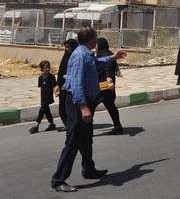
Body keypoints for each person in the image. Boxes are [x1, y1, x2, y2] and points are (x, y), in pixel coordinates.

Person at [50, 26, 127, 193]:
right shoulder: (80, 55)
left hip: (84, 102)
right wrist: (84, 108)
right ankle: (58, 180)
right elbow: (76, 84)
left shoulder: (86, 54)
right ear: (90, 39)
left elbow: (96, 63)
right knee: (73, 141)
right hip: (77, 103)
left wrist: (113, 57)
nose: (97, 39)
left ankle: (88, 169)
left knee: (86, 139)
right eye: (95, 36)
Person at [89, 38, 123, 135]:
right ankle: (118, 126)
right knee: (111, 106)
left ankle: (87, 128)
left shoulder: (105, 54)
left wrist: (109, 79)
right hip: (106, 87)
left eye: (96, 44)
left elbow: (108, 68)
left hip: (103, 87)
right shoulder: (105, 54)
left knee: (90, 105)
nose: (95, 47)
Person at [55, 39, 79, 131]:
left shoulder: (76, 57)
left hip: (72, 86)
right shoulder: (65, 58)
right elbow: (61, 72)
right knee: (62, 105)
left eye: (69, 47)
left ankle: (71, 124)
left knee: (70, 106)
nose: (67, 49)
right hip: (63, 86)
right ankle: (67, 123)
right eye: (66, 47)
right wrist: (57, 84)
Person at [29, 60, 57, 133]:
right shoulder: (40, 78)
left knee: (42, 110)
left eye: (48, 67)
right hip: (43, 97)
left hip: (48, 96)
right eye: (45, 68)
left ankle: (36, 125)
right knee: (46, 110)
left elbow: (55, 86)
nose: (47, 69)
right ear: (41, 69)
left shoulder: (52, 77)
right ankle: (52, 124)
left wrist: (56, 92)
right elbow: (41, 87)